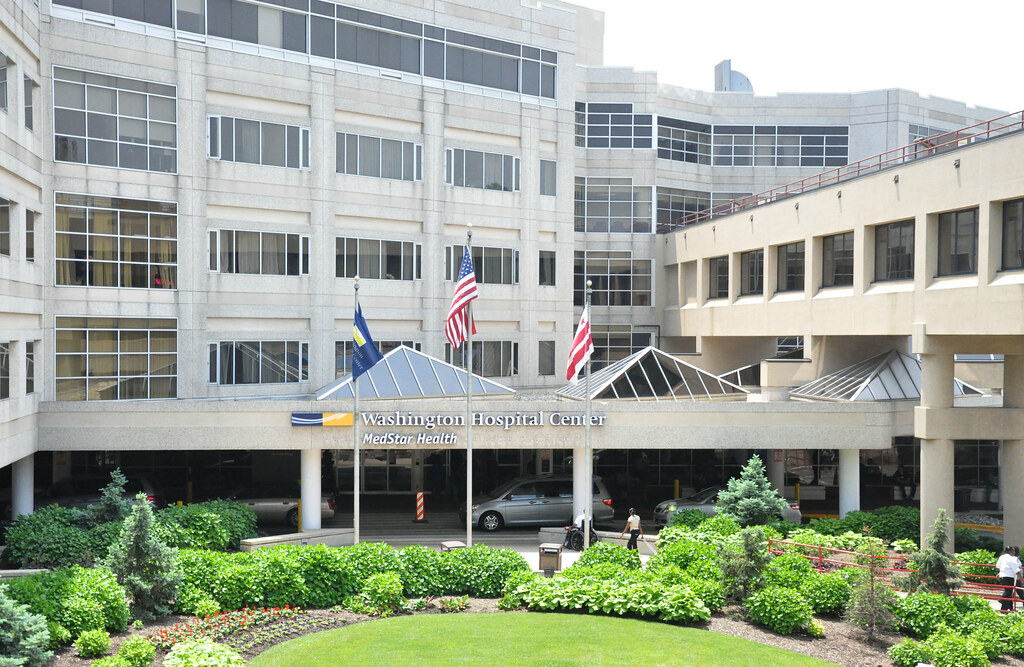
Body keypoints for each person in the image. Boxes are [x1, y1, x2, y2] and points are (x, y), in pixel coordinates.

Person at [997, 545, 1020, 612]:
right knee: (1008, 592)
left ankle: (1009, 608)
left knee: (1009, 592)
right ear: (1010, 551)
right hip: (1009, 577)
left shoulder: (1002, 557)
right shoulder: (1012, 558)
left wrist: (1000, 572)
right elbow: (1016, 570)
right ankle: (1002, 603)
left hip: (1002, 576)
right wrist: (1021, 579)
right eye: (1013, 550)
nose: (1014, 552)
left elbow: (998, 565)